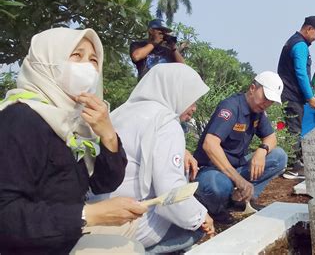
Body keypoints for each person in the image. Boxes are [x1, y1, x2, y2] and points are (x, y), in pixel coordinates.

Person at [0, 28, 147, 254]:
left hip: (62, 234)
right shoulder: (21, 119)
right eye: (76, 56)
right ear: (46, 62)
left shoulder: (74, 120)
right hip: (29, 246)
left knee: (129, 227)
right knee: (128, 250)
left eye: (93, 59)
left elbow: (103, 183)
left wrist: (107, 134)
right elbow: (5, 215)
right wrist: (89, 215)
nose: (87, 67)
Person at [89, 63, 214, 253]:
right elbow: (170, 190)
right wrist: (201, 217)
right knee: (193, 228)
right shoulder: (165, 122)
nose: (194, 107)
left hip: (96, 216)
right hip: (127, 221)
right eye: (192, 99)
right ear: (175, 92)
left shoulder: (121, 112)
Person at [193, 71, 288, 224]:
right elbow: (210, 144)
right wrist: (238, 180)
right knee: (217, 186)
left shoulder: (258, 111)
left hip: (236, 166)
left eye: (271, 101)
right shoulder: (231, 108)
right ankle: (216, 209)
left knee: (279, 156)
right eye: (265, 98)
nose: (266, 104)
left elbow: (271, 137)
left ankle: (243, 199)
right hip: (212, 170)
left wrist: (262, 150)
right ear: (252, 88)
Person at [277, 15, 315, 173]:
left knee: (294, 127)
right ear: (309, 29)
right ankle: (293, 164)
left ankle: (295, 159)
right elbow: (301, 73)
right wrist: (310, 96)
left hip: (288, 93)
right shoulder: (300, 45)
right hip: (292, 95)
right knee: (294, 128)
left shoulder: (293, 41)